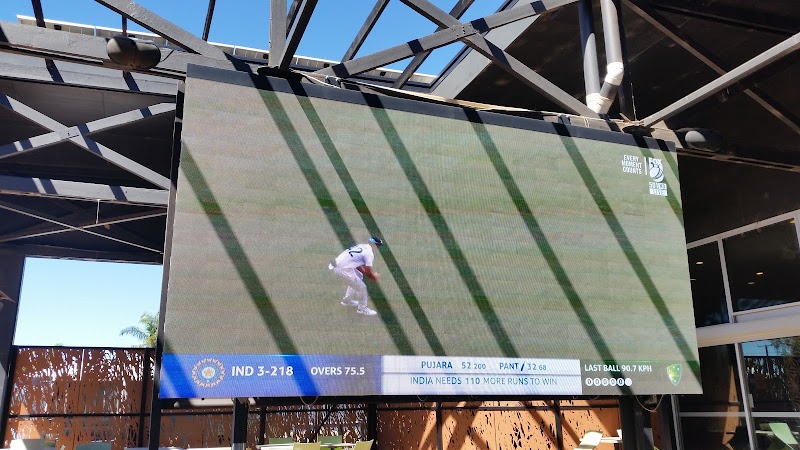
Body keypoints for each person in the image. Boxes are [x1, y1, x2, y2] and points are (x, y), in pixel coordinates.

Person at [328, 237, 383, 316]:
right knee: (361, 287)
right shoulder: (369, 254)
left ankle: (347, 301)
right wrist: (373, 276)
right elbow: (368, 272)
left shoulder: (362, 246)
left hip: (338, 264)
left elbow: (356, 264)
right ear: (374, 245)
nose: (378, 248)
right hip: (343, 269)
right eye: (378, 246)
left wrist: (368, 274)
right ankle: (362, 309)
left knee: (358, 276)